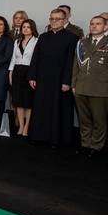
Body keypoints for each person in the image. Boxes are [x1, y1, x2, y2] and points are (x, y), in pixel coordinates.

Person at [28, 9, 78, 147]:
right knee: (40, 107)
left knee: (57, 109)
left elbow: (71, 61)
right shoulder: (43, 37)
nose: (54, 22)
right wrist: (32, 76)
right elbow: (35, 57)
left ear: (65, 20)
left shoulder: (71, 38)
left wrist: (67, 81)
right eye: (52, 19)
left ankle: (56, 139)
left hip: (59, 80)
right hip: (42, 78)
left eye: (58, 19)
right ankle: (38, 136)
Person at [72, 16, 108, 158]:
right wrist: (74, 84)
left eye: (98, 24)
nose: (94, 26)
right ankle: (85, 144)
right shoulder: (82, 43)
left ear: (105, 27)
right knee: (84, 119)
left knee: (99, 120)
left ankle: (96, 146)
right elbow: (76, 65)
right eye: (92, 24)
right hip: (82, 86)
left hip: (101, 88)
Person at [8, 19, 38, 137]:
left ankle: (27, 126)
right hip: (17, 71)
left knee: (29, 101)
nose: (25, 29)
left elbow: (37, 60)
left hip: (29, 71)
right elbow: (13, 58)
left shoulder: (37, 41)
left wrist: (34, 75)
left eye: (28, 27)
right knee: (18, 100)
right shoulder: (17, 41)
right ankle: (20, 126)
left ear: (33, 28)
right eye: (23, 27)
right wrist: (11, 72)